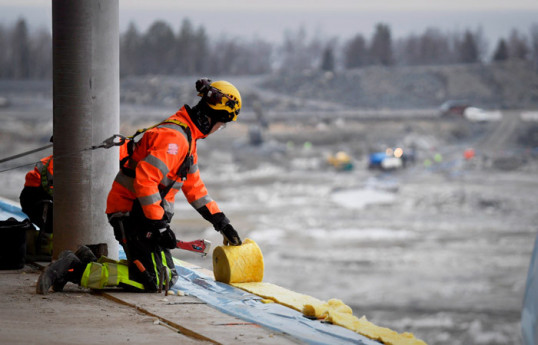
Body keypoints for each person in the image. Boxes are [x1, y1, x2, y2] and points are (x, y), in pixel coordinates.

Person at [37, 78, 243, 294]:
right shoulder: (175, 140)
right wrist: (160, 226)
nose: (218, 129)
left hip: (143, 215)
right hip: (131, 214)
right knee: (155, 281)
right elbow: (146, 181)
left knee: (165, 275)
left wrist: (222, 223)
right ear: (213, 117)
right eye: (221, 124)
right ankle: (73, 269)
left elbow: (195, 190)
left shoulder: (187, 139)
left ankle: (83, 259)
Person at [20, 154, 54, 256]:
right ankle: (44, 247)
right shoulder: (65, 163)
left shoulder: (51, 160)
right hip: (36, 198)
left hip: (32, 197)